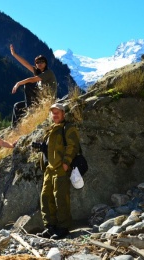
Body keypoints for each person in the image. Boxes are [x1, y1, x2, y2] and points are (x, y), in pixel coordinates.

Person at [36, 103, 80, 240]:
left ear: (63, 114)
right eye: (53, 113)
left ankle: (63, 228)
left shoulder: (68, 128)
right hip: (49, 168)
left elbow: (73, 146)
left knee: (61, 198)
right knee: (45, 197)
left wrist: (66, 163)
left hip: (60, 168)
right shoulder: (51, 130)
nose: (55, 115)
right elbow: (50, 149)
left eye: (57, 113)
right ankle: (50, 227)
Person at [10, 44, 57, 127]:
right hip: (38, 100)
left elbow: (32, 80)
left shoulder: (48, 73)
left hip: (46, 100)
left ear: (46, 63)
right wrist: (14, 54)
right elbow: (26, 64)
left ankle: (30, 110)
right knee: (17, 106)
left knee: (28, 84)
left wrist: (18, 83)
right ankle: (15, 128)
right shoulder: (38, 72)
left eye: (42, 61)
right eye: (37, 62)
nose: (40, 63)